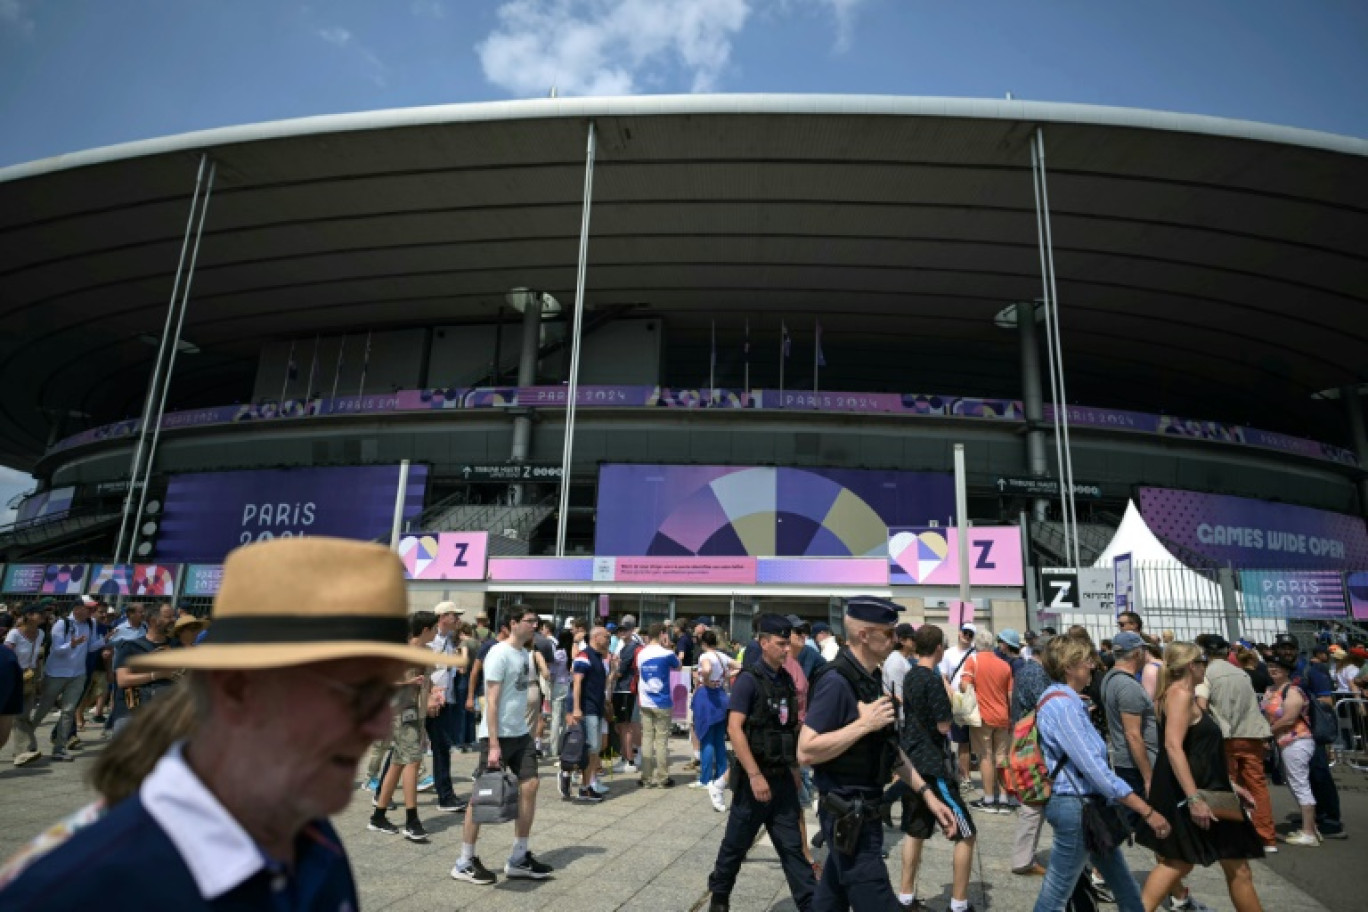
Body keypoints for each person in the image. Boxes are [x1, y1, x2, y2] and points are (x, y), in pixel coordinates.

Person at [0, 535, 461, 911]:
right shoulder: (77, 892)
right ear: (239, 690)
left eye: (382, 693)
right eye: (354, 695)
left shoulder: (311, 836)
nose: (378, 727)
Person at [799, 596, 957, 911]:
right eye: (887, 634)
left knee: (830, 899)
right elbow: (805, 750)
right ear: (863, 635)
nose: (895, 640)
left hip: (864, 809)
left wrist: (927, 795)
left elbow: (889, 749)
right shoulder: (836, 682)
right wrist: (864, 724)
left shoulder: (870, 678)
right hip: (848, 813)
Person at [1032, 635, 1170, 912]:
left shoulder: (1065, 701)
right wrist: (1146, 811)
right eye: (1085, 662)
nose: (1092, 667)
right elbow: (1097, 772)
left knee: (1122, 883)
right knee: (1056, 895)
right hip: (1077, 806)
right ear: (1069, 667)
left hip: (1087, 807)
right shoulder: (1063, 706)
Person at [1136, 643, 1264, 912]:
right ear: (1192, 665)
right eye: (1203, 660)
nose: (1206, 666)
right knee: (1179, 862)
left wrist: (1230, 785)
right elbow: (1173, 746)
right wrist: (1194, 798)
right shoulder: (1179, 694)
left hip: (1205, 787)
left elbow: (1198, 752)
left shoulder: (1176, 694)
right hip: (1191, 791)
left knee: (1234, 866)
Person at [705, 614, 816, 912]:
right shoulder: (749, 681)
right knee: (735, 845)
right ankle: (719, 896)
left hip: (781, 779)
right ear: (764, 643)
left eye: (787, 643)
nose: (786, 649)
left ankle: (810, 903)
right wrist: (754, 775)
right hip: (755, 781)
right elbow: (734, 728)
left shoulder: (786, 680)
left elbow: (788, 728)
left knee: (793, 849)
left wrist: (793, 769)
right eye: (780, 644)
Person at [451, 607, 555, 886]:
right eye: (529, 621)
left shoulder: (524, 654)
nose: (535, 625)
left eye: (536, 620)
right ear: (513, 623)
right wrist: (494, 743)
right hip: (495, 736)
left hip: (520, 733)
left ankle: (519, 856)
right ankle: (464, 860)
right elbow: (493, 701)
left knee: (530, 785)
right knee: (482, 795)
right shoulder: (498, 653)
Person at [898, 624, 978, 911]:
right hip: (932, 762)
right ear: (939, 649)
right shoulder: (932, 680)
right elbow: (944, 725)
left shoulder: (909, 676)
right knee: (966, 833)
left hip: (911, 760)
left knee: (915, 829)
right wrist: (948, 693)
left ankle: (905, 897)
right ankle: (958, 904)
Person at [1194, 634, 1276, 854]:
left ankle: (1229, 836)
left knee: (1226, 785)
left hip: (1225, 734)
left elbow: (1201, 705)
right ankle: (1265, 835)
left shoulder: (1207, 674)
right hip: (1251, 734)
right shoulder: (1241, 673)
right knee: (1257, 785)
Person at [369, 610, 439, 842]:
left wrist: (434, 695)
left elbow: (428, 682)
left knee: (399, 762)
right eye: (435, 627)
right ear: (426, 629)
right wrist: (407, 682)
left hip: (415, 714)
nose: (437, 632)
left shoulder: (427, 653)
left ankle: (378, 816)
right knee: (412, 760)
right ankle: (412, 819)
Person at [27, 597, 104, 761]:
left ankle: (59, 747)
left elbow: (90, 647)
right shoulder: (62, 624)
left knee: (68, 711)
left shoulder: (91, 624)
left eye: (91, 609)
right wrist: (72, 644)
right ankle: (26, 741)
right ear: (76, 609)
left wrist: (104, 641)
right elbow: (57, 650)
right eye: (87, 608)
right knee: (44, 709)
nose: (91, 611)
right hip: (57, 673)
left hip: (78, 673)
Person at [1263, 656, 1318, 846]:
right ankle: (1311, 827)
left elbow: (1289, 718)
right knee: (1294, 782)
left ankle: (1309, 832)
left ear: (1287, 670)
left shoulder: (1292, 690)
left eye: (1278, 667)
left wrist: (1265, 733)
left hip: (1297, 740)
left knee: (1299, 783)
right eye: (1270, 666)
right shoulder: (1270, 690)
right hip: (1283, 742)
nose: (1273, 669)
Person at [1009, 633, 1052, 877]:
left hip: (1025, 737)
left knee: (1032, 799)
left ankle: (1024, 857)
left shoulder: (1027, 669)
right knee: (1033, 801)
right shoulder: (1036, 673)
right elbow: (1043, 707)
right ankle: (1023, 858)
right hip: (1032, 741)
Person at [962, 627, 1013, 814]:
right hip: (1003, 716)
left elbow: (965, 685)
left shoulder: (972, 661)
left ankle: (989, 799)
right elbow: (1010, 694)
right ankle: (1005, 798)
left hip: (982, 716)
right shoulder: (1004, 665)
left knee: (985, 756)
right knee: (1002, 757)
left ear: (977, 644)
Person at [110, 602, 177, 733]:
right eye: (168, 617)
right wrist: (158, 674)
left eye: (173, 616)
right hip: (132, 713)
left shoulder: (176, 646)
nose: (173, 620)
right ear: (153, 620)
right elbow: (122, 680)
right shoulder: (130, 647)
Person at [565, 624, 610, 803]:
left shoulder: (598, 657)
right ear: (596, 638)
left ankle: (587, 784)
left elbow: (600, 684)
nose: (608, 639)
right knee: (590, 748)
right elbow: (576, 683)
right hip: (588, 709)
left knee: (594, 749)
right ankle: (584, 786)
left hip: (596, 709)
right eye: (606, 636)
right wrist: (575, 708)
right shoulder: (584, 656)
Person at [637, 622, 681, 788]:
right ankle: (662, 778)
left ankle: (646, 778)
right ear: (663, 634)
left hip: (645, 700)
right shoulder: (667, 653)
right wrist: (669, 646)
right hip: (662, 701)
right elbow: (678, 666)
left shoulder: (641, 653)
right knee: (661, 741)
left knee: (647, 738)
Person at [692, 628, 732, 812]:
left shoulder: (704, 656)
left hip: (707, 697)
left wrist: (705, 678)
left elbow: (706, 668)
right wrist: (725, 677)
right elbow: (739, 665)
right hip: (721, 696)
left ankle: (705, 778)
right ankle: (721, 774)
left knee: (706, 738)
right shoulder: (723, 656)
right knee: (719, 740)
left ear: (703, 642)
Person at [5, 605, 46, 766]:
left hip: (30, 677)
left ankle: (25, 749)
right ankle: (26, 749)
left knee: (24, 714)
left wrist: (38, 678)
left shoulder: (41, 633)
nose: (44, 615)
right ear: (28, 615)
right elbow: (8, 657)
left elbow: (37, 658)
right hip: (13, 676)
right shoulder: (15, 633)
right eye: (40, 613)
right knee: (17, 717)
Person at [940, 623, 977, 787]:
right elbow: (944, 677)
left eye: (970, 634)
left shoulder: (976, 654)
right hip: (955, 699)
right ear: (959, 632)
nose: (967, 636)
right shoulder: (948, 654)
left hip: (972, 700)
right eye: (965, 632)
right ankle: (957, 774)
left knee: (966, 741)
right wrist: (952, 695)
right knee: (953, 738)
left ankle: (965, 776)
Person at [610, 614, 643, 774]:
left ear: (632, 630)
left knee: (626, 726)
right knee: (622, 726)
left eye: (625, 629)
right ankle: (626, 757)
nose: (622, 633)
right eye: (620, 630)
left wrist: (611, 669)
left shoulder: (631, 647)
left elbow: (620, 672)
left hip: (625, 690)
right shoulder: (625, 646)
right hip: (624, 689)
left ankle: (629, 760)